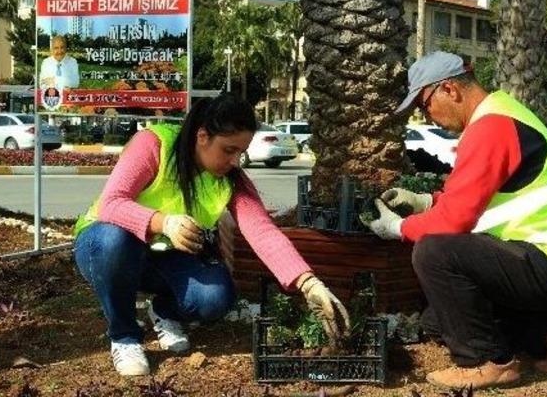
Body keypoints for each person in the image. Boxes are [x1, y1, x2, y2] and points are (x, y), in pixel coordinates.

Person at [73, 93, 350, 377]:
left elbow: (262, 230)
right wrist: (164, 223)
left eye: (241, 152)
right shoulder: (154, 144)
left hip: (162, 256)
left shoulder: (231, 179)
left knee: (215, 297)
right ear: (203, 136)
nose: (235, 161)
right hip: (104, 247)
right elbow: (111, 204)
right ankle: (124, 336)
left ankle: (164, 311)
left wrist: (308, 282)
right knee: (113, 240)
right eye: (229, 150)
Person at [367, 52, 547, 389]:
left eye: (425, 106)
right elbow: (477, 196)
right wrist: (425, 201)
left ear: (449, 89)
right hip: (541, 262)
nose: (428, 117)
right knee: (437, 323)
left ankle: (486, 362)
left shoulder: (492, 127)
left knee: (433, 252)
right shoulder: (500, 114)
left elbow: (453, 222)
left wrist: (398, 228)